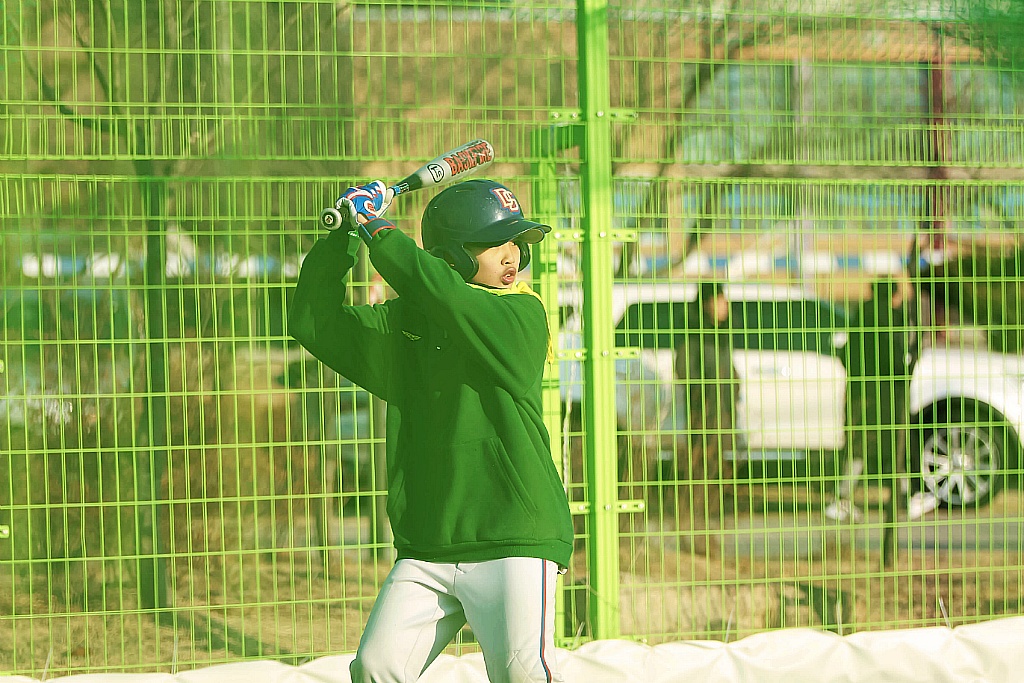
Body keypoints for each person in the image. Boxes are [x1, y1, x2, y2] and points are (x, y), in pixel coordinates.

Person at [288, 178, 574, 683]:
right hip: (428, 545)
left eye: (516, 241)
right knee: (376, 667)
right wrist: (343, 237)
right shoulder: (406, 325)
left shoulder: (521, 314)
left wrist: (379, 230)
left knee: (524, 673)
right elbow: (315, 322)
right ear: (451, 255)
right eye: (493, 242)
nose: (511, 254)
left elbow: (447, 297)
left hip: (513, 539)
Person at [825, 278, 916, 522]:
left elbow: (847, 353)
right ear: (893, 295)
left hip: (859, 392)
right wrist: (904, 374)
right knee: (895, 444)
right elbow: (895, 356)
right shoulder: (891, 318)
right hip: (885, 394)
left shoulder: (861, 315)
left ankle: (843, 497)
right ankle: (903, 496)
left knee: (858, 446)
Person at [673, 281, 739, 540]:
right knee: (699, 466)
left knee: (719, 465)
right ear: (706, 304)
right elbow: (685, 371)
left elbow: (729, 371)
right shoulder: (694, 335)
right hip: (703, 415)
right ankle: (694, 518)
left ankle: (711, 516)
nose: (725, 305)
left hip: (723, 413)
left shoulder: (721, 335)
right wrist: (704, 398)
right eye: (719, 300)